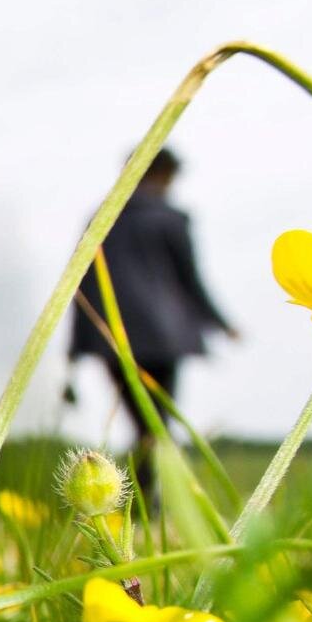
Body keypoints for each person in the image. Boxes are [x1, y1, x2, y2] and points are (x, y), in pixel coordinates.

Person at [66, 147, 238, 493]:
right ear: (160, 175)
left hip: (112, 340)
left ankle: (142, 501)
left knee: (146, 425)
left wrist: (76, 348)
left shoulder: (100, 217)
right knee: (156, 425)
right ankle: (149, 501)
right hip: (163, 337)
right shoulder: (170, 218)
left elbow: (80, 284)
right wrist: (220, 321)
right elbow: (189, 279)